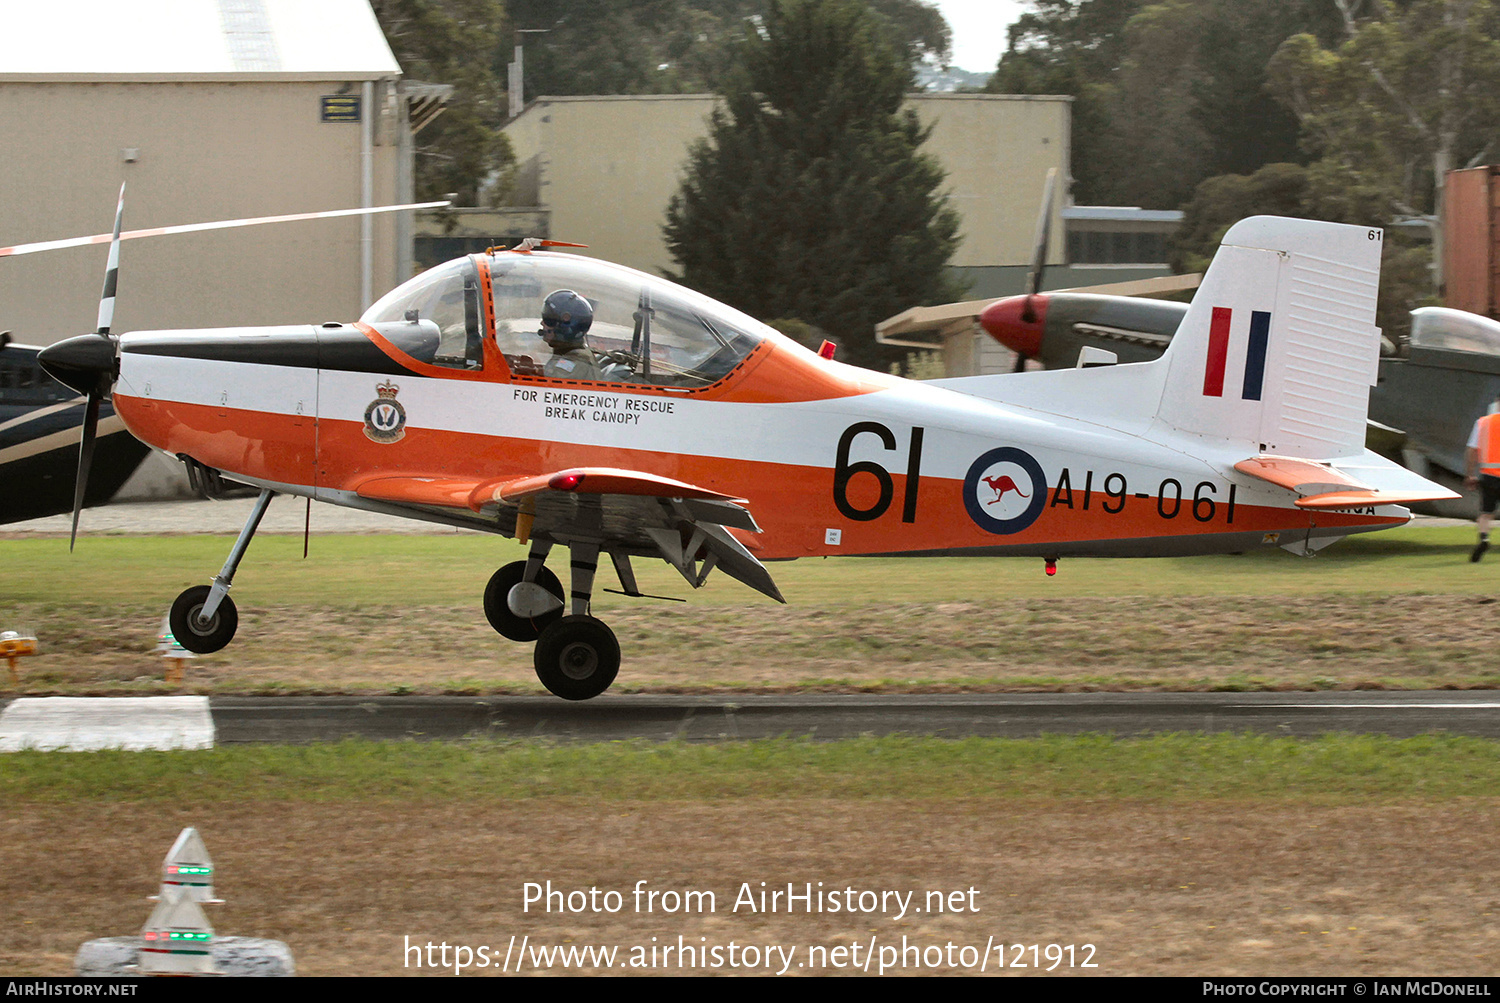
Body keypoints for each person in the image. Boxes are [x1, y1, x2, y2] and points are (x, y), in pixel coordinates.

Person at [1464, 390, 1500, 561]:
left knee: (1486, 512)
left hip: (1489, 476)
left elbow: (1472, 449)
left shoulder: (1483, 422)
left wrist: (1470, 474)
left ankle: (1484, 538)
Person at [538, 289, 604, 380]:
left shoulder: (577, 360)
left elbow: (551, 389)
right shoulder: (567, 354)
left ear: (563, 328)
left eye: (549, 321)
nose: (542, 323)